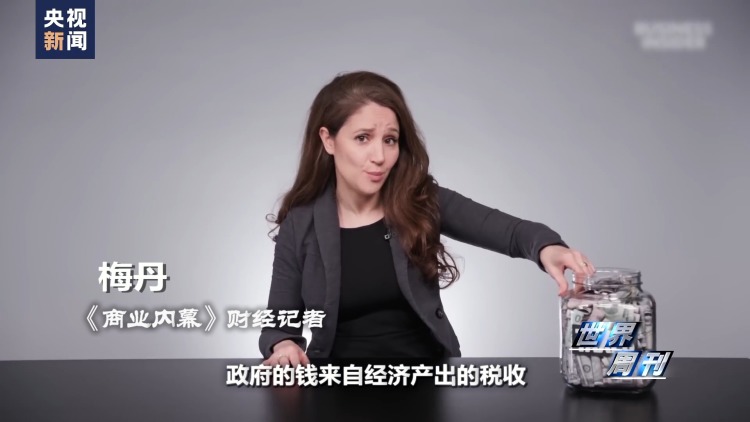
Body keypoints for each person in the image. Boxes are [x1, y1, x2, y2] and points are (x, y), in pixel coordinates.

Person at [259, 70, 596, 366]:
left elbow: (511, 233)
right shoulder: (300, 225)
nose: (380, 156)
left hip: (428, 384)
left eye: (390, 140)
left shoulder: (421, 199)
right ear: (328, 140)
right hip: (335, 390)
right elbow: (277, 326)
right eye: (362, 138)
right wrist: (284, 345)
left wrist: (548, 248)